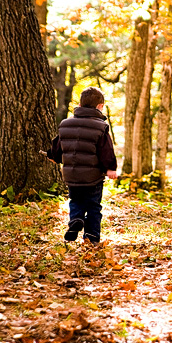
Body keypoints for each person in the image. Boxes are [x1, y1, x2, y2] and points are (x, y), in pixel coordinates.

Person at [46, 87, 117, 244]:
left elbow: (58, 146)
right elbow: (106, 150)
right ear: (100, 106)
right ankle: (91, 238)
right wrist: (110, 168)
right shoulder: (100, 127)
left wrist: (54, 156)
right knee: (93, 206)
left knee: (76, 200)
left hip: (72, 175)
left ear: (80, 104)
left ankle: (76, 219)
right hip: (93, 177)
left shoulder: (66, 124)